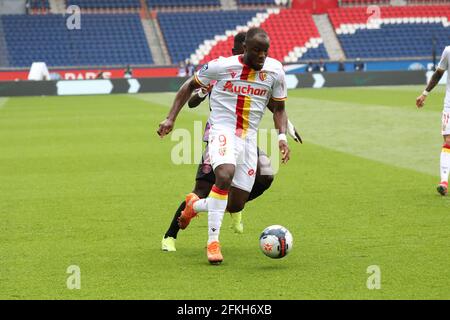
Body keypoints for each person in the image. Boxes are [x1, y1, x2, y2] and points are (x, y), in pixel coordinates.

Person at [157, 28, 290, 264]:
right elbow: (190, 89)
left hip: (248, 138)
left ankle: (195, 207)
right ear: (245, 49)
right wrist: (170, 118)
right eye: (257, 51)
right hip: (221, 131)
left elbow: (278, 107)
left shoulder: (275, 71)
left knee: (237, 202)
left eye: (265, 51)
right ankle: (212, 243)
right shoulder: (220, 67)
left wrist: (282, 137)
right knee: (223, 175)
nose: (262, 56)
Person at [416, 45, 450, 195]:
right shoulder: (448, 51)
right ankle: (444, 181)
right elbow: (438, 74)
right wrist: (425, 93)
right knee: (448, 141)